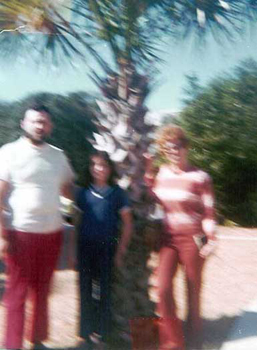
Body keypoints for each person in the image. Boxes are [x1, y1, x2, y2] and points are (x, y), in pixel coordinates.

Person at [0, 104, 74, 350]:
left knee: (43, 291)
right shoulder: (9, 152)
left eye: (44, 122)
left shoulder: (58, 156)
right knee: (17, 293)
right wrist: (1, 236)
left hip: (52, 233)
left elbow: (68, 189)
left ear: (50, 126)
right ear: (24, 123)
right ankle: (13, 345)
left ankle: (38, 340)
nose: (39, 126)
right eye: (35, 121)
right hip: (19, 233)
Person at [144, 125, 216, 350]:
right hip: (167, 239)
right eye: (168, 148)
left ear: (186, 147)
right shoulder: (162, 174)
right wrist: (147, 168)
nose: (173, 151)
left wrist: (211, 239)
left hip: (193, 238)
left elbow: (209, 212)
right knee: (163, 288)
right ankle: (172, 342)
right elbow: (148, 193)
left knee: (193, 290)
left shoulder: (201, 177)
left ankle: (195, 339)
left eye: (178, 146)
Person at [74, 150, 133, 350]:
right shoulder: (83, 193)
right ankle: (86, 333)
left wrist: (120, 251)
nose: (98, 169)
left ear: (110, 169)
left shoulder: (117, 193)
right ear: (90, 168)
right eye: (94, 165)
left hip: (107, 249)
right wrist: (74, 251)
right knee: (85, 290)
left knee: (104, 292)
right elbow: (77, 222)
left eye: (103, 165)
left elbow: (127, 224)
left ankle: (103, 333)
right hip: (85, 249)